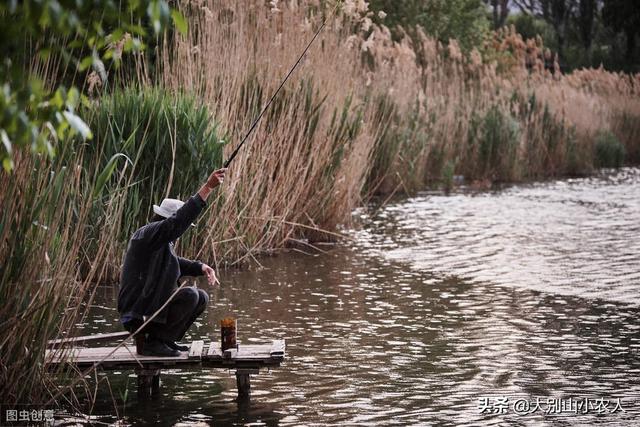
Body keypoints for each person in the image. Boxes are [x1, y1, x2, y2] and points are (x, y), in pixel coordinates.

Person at [117, 168, 227, 357]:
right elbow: (178, 222)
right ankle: (154, 343)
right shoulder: (147, 235)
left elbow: (174, 261)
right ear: (166, 221)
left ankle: (164, 340)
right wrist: (207, 188)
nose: (181, 234)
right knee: (190, 294)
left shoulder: (159, 243)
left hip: (148, 310)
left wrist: (201, 267)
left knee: (201, 297)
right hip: (137, 314)